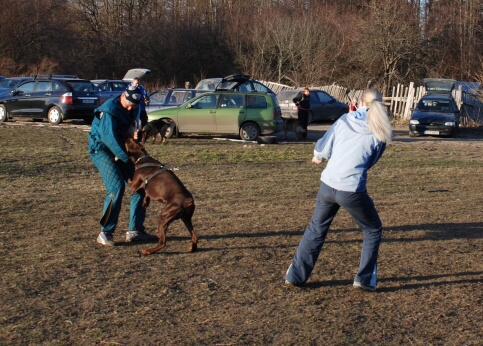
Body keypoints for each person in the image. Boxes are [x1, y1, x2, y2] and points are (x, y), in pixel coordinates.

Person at [285, 88, 393, 292]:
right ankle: (364, 279)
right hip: (352, 190)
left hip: (328, 184)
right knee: (372, 229)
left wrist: (319, 155)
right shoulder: (380, 132)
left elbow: (323, 147)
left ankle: (295, 276)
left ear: (360, 103)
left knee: (316, 229)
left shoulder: (344, 120)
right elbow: (371, 161)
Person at [88, 85, 158, 246]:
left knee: (139, 185)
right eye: (129, 104)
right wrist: (124, 157)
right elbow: (108, 137)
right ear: (123, 96)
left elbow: (130, 126)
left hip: (121, 149)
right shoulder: (109, 110)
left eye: (134, 106)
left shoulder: (133, 108)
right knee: (116, 187)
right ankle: (105, 232)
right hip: (101, 149)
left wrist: (135, 133)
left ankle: (135, 230)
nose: (130, 108)